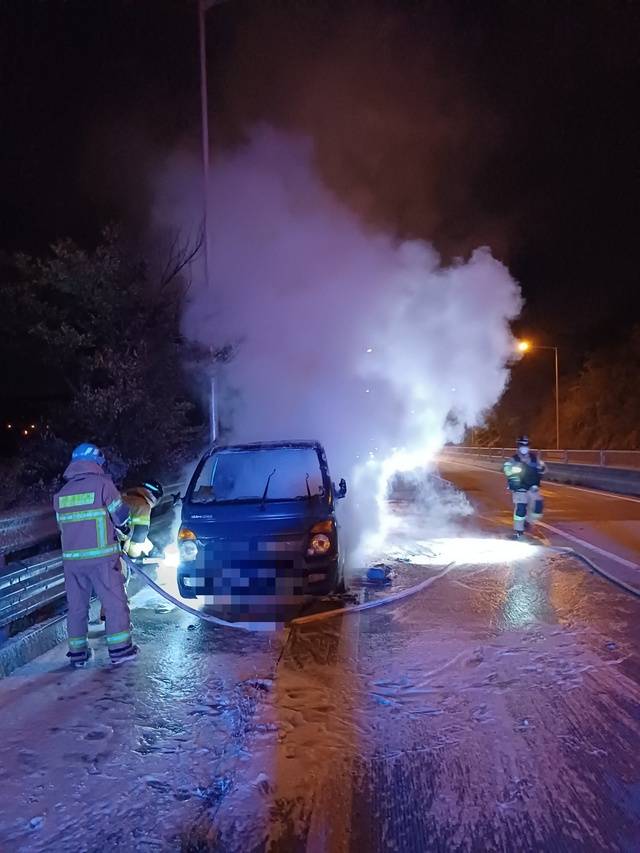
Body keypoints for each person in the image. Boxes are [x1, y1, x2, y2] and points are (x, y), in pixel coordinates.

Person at [54, 443, 139, 667]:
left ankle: (78, 654)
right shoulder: (103, 485)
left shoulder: (61, 494)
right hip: (102, 559)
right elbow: (121, 518)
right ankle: (121, 650)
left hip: (72, 562)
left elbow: (62, 528)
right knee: (113, 604)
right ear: (95, 463)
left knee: (77, 607)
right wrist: (124, 531)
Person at [97, 479, 164, 623]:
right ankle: (119, 623)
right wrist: (134, 559)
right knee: (119, 584)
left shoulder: (123, 497)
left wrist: (152, 550)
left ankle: (106, 616)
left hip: (98, 545)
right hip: (115, 549)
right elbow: (138, 538)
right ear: (154, 497)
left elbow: (133, 532)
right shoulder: (143, 505)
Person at [503, 436, 546, 538]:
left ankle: (529, 521)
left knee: (538, 506)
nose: (524, 447)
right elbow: (506, 468)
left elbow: (543, 468)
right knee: (521, 508)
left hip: (532, 487)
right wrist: (512, 470)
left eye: (526, 445)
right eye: (522, 445)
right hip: (519, 488)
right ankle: (518, 531)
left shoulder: (534, 458)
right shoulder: (514, 459)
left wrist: (542, 469)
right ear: (518, 446)